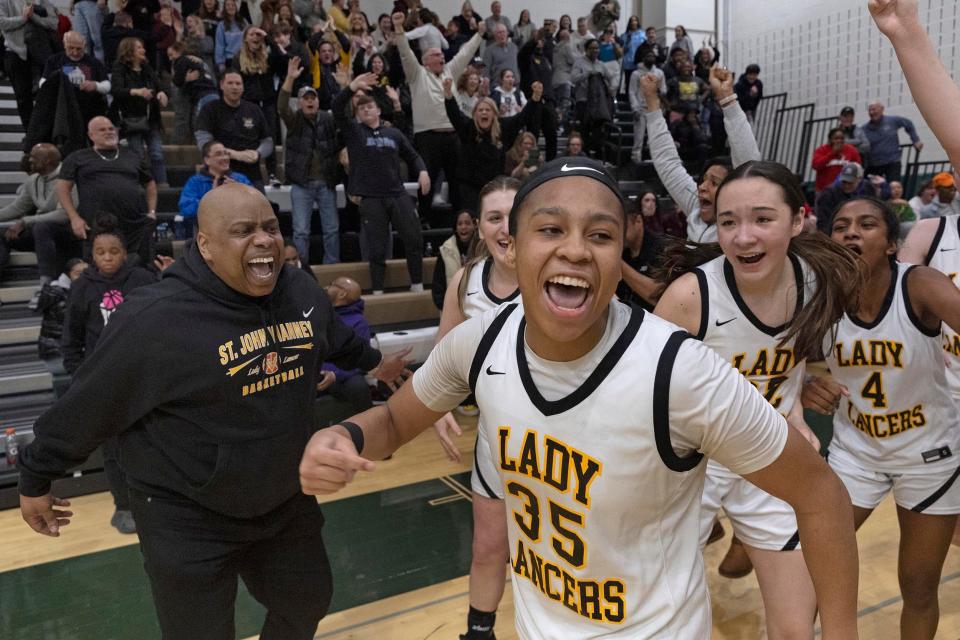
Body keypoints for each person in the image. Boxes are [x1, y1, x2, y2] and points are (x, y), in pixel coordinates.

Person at [299, 157, 861, 638]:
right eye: (550, 230)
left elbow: (821, 493)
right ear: (511, 246)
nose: (575, 250)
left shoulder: (679, 371)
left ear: (621, 255)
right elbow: (395, 422)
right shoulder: (480, 341)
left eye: (599, 235)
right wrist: (343, 435)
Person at [18, 184, 413, 640]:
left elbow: (332, 338)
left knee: (307, 599)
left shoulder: (299, 289)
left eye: (270, 228)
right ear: (204, 245)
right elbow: (88, 405)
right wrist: (35, 477)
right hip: (185, 512)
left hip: (282, 496)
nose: (264, 240)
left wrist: (374, 363)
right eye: (243, 231)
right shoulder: (155, 318)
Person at [655, 160, 862, 639]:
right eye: (728, 222)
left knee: (795, 629)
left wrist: (795, 396)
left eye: (762, 219)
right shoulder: (691, 296)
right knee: (667, 623)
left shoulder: (816, 282)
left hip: (771, 456)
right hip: (691, 466)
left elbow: (785, 356)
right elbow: (644, 395)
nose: (743, 237)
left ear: (798, 220)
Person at [811, 196, 960, 639]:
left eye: (866, 224)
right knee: (806, 565)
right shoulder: (819, 295)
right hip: (856, 453)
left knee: (917, 586)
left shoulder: (919, 284)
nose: (851, 232)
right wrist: (804, 384)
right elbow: (783, 360)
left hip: (927, 455)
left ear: (892, 243)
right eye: (841, 226)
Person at [429, 177, 521, 640]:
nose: (506, 228)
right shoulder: (466, 281)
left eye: (513, 214)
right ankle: (479, 633)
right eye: (494, 218)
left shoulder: (558, 269)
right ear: (478, 227)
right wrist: (435, 407)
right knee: (488, 548)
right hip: (497, 438)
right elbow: (443, 355)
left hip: (566, 437)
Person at [62, 216, 159, 533]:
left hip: (143, 376)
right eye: (100, 252)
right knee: (114, 449)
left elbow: (163, 322)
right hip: (103, 382)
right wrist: (82, 379)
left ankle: (160, 499)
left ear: (124, 251)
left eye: (113, 251)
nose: (107, 258)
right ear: (92, 254)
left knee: (154, 441)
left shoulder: (143, 279)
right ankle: (124, 505)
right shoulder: (82, 287)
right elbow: (71, 339)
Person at [334, 73, 429, 295]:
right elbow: (337, 108)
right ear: (357, 114)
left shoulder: (393, 133)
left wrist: (423, 171)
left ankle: (417, 284)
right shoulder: (355, 132)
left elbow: (412, 155)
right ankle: (377, 290)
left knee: (414, 238)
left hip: (397, 193)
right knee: (376, 248)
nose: (366, 110)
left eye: (370, 107)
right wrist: (351, 88)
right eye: (362, 109)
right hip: (370, 197)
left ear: (378, 111)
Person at [641, 68, 761, 243]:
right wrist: (652, 102)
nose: (702, 187)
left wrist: (727, 98)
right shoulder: (695, 206)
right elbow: (667, 162)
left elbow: (748, 163)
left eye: (714, 182)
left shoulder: (741, 219)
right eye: (703, 180)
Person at [393, 11, 484, 219]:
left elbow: (464, 54)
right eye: (435, 55)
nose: (441, 56)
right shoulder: (417, 74)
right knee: (427, 182)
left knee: (457, 182)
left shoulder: (451, 71)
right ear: (425, 61)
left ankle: (461, 223)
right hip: (428, 137)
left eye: (441, 55)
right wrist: (399, 30)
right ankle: (422, 221)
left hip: (453, 136)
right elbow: (406, 53)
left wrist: (479, 35)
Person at [58, 117, 158, 267]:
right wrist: (74, 218)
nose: (108, 132)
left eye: (111, 129)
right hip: (96, 225)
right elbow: (62, 188)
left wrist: (151, 211)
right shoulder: (77, 158)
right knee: (99, 272)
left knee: (142, 271)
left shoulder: (133, 156)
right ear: (91, 135)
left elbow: (150, 184)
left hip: (134, 226)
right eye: (102, 129)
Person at [443, 77, 541, 212]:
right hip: (469, 186)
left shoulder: (503, 127)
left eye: (487, 110)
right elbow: (454, 114)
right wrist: (448, 94)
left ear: (494, 114)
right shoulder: (468, 128)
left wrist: (535, 98)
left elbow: (522, 117)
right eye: (480, 110)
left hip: (494, 186)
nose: (484, 112)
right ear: (475, 115)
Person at [279, 57, 341, 265]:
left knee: (332, 229)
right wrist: (289, 78)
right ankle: (302, 267)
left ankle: (331, 264)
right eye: (305, 98)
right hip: (301, 184)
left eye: (312, 97)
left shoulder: (328, 119)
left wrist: (345, 86)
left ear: (318, 101)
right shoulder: (294, 120)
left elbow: (345, 114)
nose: (310, 101)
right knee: (301, 231)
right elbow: (281, 106)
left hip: (326, 182)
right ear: (299, 103)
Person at [0, 144, 79, 303]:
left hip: (66, 231)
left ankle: (46, 284)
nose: (30, 160)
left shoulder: (69, 178)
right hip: (40, 232)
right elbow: (17, 207)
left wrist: (26, 220)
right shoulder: (33, 180)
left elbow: (64, 214)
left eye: (34, 157)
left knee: (41, 227)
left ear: (47, 161)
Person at [195, 70, 273, 189]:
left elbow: (267, 141)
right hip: (220, 177)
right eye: (230, 83)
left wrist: (258, 153)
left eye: (238, 83)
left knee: (259, 207)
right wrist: (235, 154)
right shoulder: (210, 109)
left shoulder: (254, 109)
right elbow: (204, 144)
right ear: (221, 85)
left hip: (253, 176)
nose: (235, 87)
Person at [111, 37, 169, 186]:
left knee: (157, 153)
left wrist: (162, 93)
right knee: (137, 154)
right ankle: (142, 184)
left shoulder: (146, 67)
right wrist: (136, 91)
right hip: (131, 118)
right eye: (139, 48)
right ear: (129, 50)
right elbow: (116, 90)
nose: (143, 50)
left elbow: (159, 85)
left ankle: (162, 183)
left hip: (151, 116)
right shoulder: (119, 67)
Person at [231, 26, 286, 185]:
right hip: (248, 104)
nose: (256, 38)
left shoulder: (268, 56)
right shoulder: (237, 58)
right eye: (252, 35)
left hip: (268, 103)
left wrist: (268, 37)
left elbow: (282, 61)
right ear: (245, 39)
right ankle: (247, 174)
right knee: (249, 138)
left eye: (258, 35)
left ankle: (272, 174)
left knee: (270, 137)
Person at [317, 277, 375, 414]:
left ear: (342, 294)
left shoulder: (359, 323)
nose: (326, 287)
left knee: (358, 385)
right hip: (313, 372)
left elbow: (361, 360)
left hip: (338, 376)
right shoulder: (316, 312)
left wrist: (334, 374)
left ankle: (369, 427)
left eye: (331, 284)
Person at [0, 0, 59, 129]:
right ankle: (30, 133)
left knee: (45, 97)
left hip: (41, 54)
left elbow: (53, 23)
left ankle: (42, 133)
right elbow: (2, 23)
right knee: (22, 97)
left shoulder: (44, 2)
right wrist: (23, 18)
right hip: (15, 53)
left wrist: (33, 16)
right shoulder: (5, 2)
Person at [179, 140, 254, 237]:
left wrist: (238, 190)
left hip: (241, 232)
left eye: (226, 154)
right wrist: (212, 197)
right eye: (218, 154)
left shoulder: (240, 179)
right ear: (207, 160)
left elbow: (255, 203)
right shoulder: (195, 182)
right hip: (209, 233)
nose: (225, 158)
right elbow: (186, 209)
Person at [41, 31, 110, 126]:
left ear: (84, 46)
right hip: (62, 112)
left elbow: (107, 85)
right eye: (71, 48)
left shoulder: (94, 62)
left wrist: (95, 86)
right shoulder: (54, 60)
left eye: (79, 49)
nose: (75, 52)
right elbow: (43, 83)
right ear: (64, 45)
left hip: (90, 110)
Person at [571, 38, 618, 158]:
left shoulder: (601, 65)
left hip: (598, 105)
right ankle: (584, 156)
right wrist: (587, 74)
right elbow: (573, 78)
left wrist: (612, 88)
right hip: (584, 101)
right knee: (584, 130)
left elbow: (612, 77)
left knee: (598, 131)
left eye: (597, 48)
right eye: (592, 48)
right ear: (586, 50)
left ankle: (597, 157)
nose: (595, 50)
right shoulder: (579, 62)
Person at [37, 257, 87, 359]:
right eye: (78, 273)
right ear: (68, 275)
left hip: (66, 348)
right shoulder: (58, 295)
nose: (84, 277)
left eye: (87, 273)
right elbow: (74, 322)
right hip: (56, 350)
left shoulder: (77, 291)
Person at [861, 100, 922, 183]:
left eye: (874, 109)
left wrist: (916, 140)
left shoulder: (892, 121)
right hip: (874, 164)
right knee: (872, 189)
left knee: (893, 186)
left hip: (892, 163)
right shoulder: (864, 129)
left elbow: (908, 124)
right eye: (870, 110)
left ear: (882, 109)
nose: (872, 112)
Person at [617, 201, 663, 310]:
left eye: (621, 228)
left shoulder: (661, 248)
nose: (617, 235)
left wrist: (618, 264)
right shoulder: (623, 250)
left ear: (638, 221)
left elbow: (659, 296)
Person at [432, 209, 476, 309]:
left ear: (475, 226)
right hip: (452, 309)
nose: (463, 227)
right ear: (455, 228)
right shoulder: (445, 250)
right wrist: (445, 308)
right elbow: (438, 285)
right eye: (460, 224)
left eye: (467, 223)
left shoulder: (483, 250)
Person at [627, 49, 665, 163]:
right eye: (648, 55)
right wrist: (635, 108)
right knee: (639, 138)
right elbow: (632, 92)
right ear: (643, 58)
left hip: (655, 108)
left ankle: (655, 161)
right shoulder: (636, 74)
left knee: (654, 137)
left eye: (653, 56)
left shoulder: (659, 73)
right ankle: (636, 160)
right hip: (641, 108)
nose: (651, 58)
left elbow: (664, 90)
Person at [815, 162, 873, 232]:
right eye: (844, 182)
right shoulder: (829, 194)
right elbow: (823, 221)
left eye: (850, 182)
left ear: (859, 179)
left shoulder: (868, 188)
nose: (846, 185)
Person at [811, 127, 862, 193]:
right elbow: (815, 165)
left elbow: (858, 168)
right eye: (836, 138)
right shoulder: (822, 150)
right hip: (824, 190)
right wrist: (832, 154)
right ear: (830, 140)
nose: (839, 141)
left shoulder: (851, 150)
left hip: (845, 190)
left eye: (842, 138)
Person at [482, 23, 519, 89]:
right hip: (498, 87)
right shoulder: (489, 50)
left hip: (514, 86)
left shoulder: (514, 47)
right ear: (494, 35)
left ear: (507, 33)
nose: (502, 34)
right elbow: (485, 70)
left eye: (504, 32)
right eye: (499, 32)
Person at [215, 0, 248, 73]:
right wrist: (220, 63)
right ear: (225, 8)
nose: (230, 7)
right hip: (230, 59)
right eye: (228, 5)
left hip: (245, 58)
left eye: (233, 5)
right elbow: (220, 45)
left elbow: (248, 38)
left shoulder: (243, 21)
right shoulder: (221, 25)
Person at [618, 15, 645, 90]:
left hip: (639, 63)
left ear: (638, 22)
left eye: (635, 20)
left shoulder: (643, 34)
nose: (633, 22)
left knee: (639, 85)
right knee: (628, 85)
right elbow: (621, 49)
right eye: (631, 21)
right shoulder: (624, 36)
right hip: (628, 63)